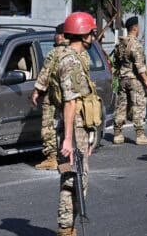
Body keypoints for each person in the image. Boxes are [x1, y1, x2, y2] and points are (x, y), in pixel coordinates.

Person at [50, 12, 99, 236]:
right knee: (72, 180)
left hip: (81, 126)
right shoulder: (69, 61)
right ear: (83, 33)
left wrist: (89, 131)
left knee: (80, 180)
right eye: (92, 32)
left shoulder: (78, 58)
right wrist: (69, 139)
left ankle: (68, 228)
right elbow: (70, 102)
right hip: (72, 127)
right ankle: (65, 230)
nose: (94, 37)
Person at [32, 23, 68, 170]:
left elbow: (45, 74)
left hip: (53, 95)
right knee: (68, 125)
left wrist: (37, 92)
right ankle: (67, 156)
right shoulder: (78, 51)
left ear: (61, 35)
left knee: (49, 126)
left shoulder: (55, 52)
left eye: (57, 34)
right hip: (71, 96)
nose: (55, 36)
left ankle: (51, 158)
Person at [113, 16, 147, 145]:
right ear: (135, 28)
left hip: (123, 78)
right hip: (134, 79)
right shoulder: (135, 44)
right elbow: (140, 67)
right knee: (138, 105)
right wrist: (146, 82)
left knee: (121, 106)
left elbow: (116, 62)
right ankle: (140, 135)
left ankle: (118, 134)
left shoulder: (120, 43)